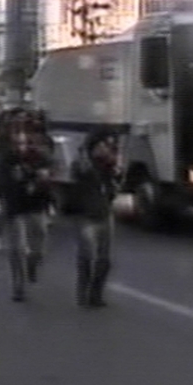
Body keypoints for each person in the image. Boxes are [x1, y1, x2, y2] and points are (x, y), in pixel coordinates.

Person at [0, 112, 53, 302]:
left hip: (36, 205)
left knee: (39, 244)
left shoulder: (39, 156)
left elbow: (48, 176)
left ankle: (32, 264)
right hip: (15, 207)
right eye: (17, 139)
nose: (21, 144)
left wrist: (42, 181)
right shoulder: (6, 158)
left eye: (24, 139)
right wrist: (23, 182)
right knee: (17, 248)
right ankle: (18, 286)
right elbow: (3, 182)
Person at [70, 128, 121, 308]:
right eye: (102, 145)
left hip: (104, 214)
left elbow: (115, 187)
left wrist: (114, 169)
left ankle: (96, 295)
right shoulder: (83, 164)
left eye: (107, 146)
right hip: (86, 216)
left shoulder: (108, 166)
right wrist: (87, 153)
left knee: (104, 260)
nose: (105, 149)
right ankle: (83, 293)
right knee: (87, 256)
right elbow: (80, 172)